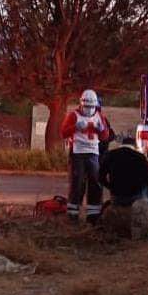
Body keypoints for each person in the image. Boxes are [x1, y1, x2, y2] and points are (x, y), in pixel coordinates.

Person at [60, 90, 113, 224]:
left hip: (93, 153)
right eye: (87, 107)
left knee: (95, 183)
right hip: (77, 153)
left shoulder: (99, 116)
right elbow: (63, 132)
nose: (89, 110)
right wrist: (75, 127)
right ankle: (73, 215)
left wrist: (102, 129)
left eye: (91, 107)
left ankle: (93, 216)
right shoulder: (73, 115)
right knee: (76, 183)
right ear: (81, 104)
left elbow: (105, 137)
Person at [100, 137, 148, 206]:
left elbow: (101, 176)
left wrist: (111, 187)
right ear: (134, 146)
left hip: (117, 193)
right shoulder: (140, 157)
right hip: (135, 194)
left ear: (122, 144)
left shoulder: (110, 155)